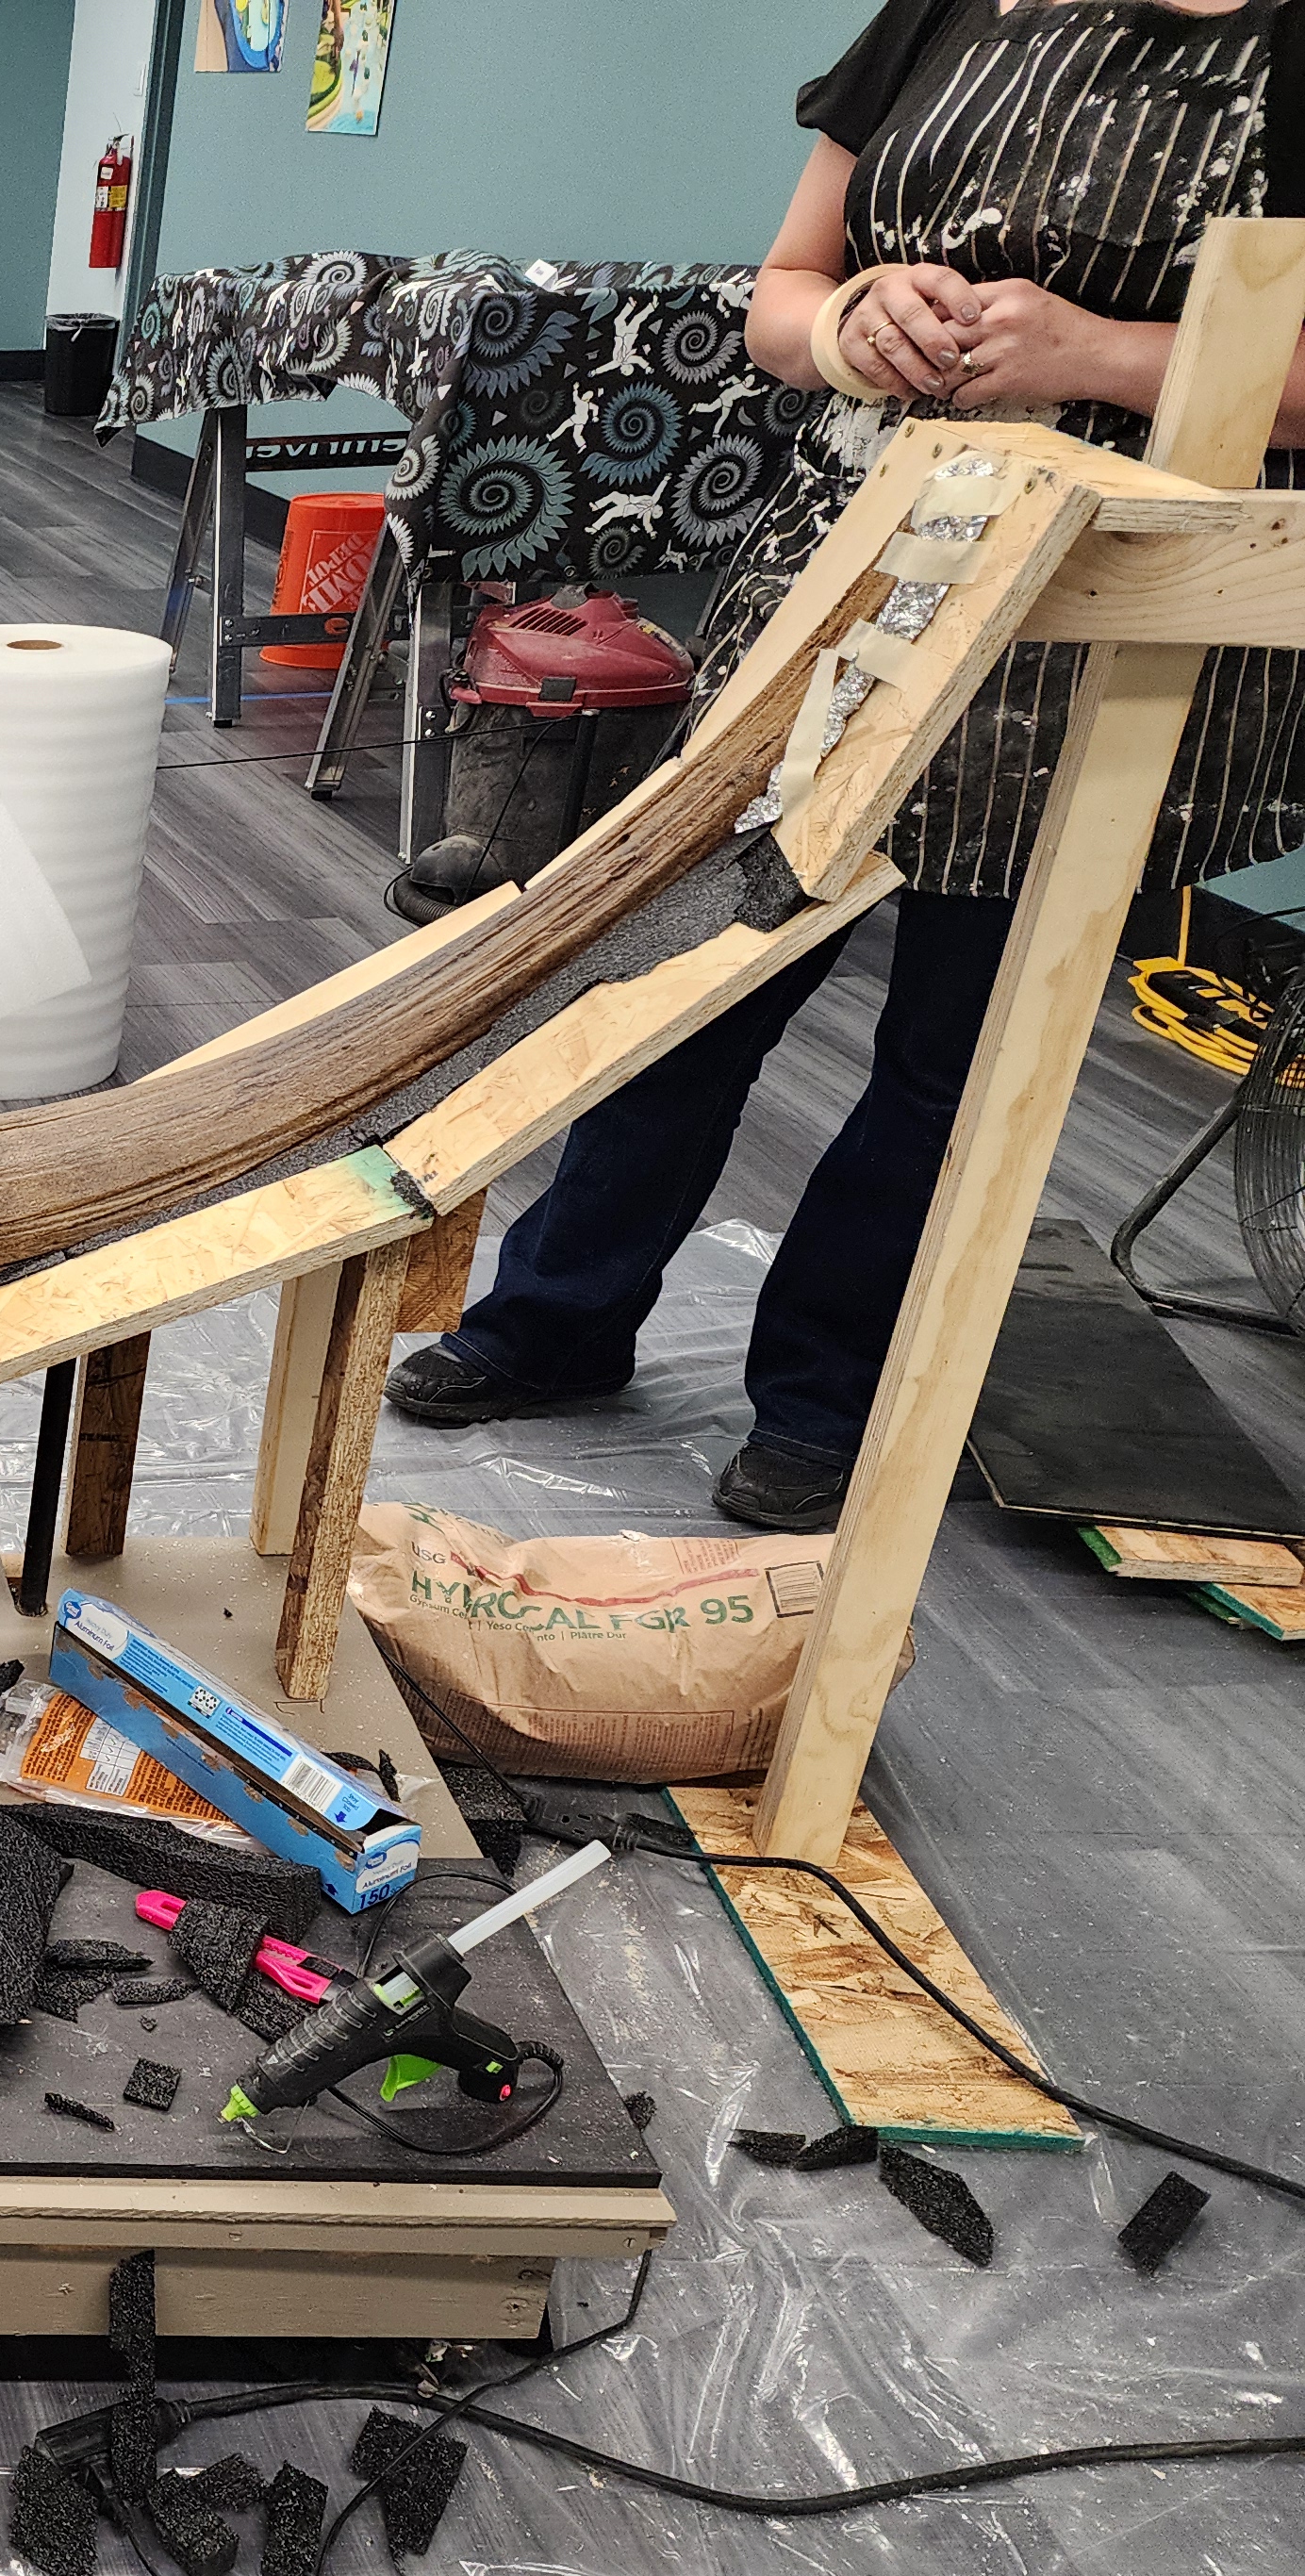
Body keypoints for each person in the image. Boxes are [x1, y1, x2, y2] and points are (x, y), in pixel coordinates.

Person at [384, 0, 1305, 1529]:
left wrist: (1104, 355)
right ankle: (556, 1316)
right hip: (854, 575)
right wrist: (846, 323)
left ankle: (828, 1394)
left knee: (957, 1055)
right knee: (691, 983)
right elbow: (783, 294)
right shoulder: (950, 9)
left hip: (1114, 626)